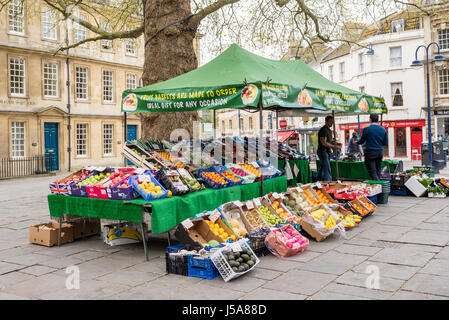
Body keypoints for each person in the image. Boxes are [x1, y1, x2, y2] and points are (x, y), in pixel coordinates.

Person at [357, 114, 388, 180]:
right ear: (378, 120)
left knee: (372, 172)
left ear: (370, 119)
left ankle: (378, 186)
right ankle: (379, 186)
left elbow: (361, 141)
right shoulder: (383, 129)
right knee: (378, 171)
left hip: (370, 152)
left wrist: (356, 142)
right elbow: (385, 143)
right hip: (380, 152)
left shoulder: (366, 129)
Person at [317, 115, 335, 181]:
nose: (332, 123)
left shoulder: (328, 130)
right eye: (330, 122)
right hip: (323, 151)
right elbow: (323, 143)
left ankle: (318, 181)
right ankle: (328, 182)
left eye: (332, 122)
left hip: (326, 151)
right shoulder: (324, 130)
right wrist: (333, 146)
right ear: (326, 121)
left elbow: (328, 141)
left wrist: (333, 142)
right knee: (327, 168)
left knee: (323, 167)